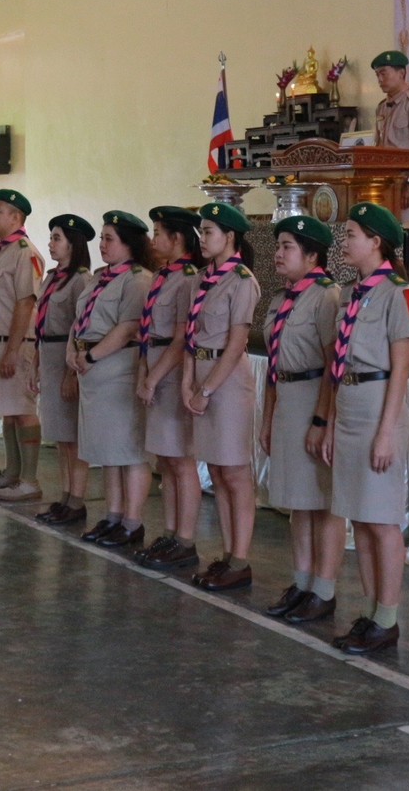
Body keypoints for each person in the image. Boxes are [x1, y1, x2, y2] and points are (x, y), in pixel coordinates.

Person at [314, 203, 409, 655]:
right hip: (351, 402)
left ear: (376, 242)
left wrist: (387, 432)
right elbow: (339, 365)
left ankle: (388, 618)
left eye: (353, 233)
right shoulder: (352, 293)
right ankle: (372, 611)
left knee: (382, 520)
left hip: (378, 405)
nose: (345, 241)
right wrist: (332, 423)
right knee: (360, 516)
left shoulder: (396, 293)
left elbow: (402, 368)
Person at [260, 214, 342, 622]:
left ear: (312, 255)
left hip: (312, 399)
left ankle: (324, 589)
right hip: (287, 399)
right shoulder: (281, 299)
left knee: (322, 502)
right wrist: (267, 419)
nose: (278, 254)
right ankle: (302, 580)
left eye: (287, 247)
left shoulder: (326, 296)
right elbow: (273, 364)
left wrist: (322, 420)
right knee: (298, 500)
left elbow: (333, 366)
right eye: (278, 246)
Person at [184, 202, 261, 591]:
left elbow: (235, 343)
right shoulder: (202, 279)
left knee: (234, 471)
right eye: (201, 232)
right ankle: (228, 555)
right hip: (200, 372)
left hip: (226, 381)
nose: (202, 238)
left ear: (230, 237)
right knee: (215, 469)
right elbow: (190, 336)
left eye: (209, 232)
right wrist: (187, 383)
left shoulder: (241, 281)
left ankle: (241, 559)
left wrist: (206, 389)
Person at [69, 211, 154, 548]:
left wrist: (91, 356)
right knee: (107, 449)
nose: (102, 244)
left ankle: (133, 522)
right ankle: (113, 515)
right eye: (102, 238)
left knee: (128, 449)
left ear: (129, 244)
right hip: (92, 371)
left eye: (109, 239)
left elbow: (129, 327)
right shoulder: (100, 278)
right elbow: (80, 319)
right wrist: (74, 350)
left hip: (118, 368)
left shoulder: (137, 279)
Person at [133, 205, 204, 572]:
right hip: (156, 362)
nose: (153, 239)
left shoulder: (188, 278)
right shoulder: (164, 275)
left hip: (173, 372)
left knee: (181, 459)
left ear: (177, 238)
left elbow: (180, 339)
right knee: (166, 459)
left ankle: (185, 540)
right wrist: (144, 371)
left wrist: (153, 377)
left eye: (159, 233)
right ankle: (171, 532)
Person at [0, 189, 45, 496]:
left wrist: (13, 351)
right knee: (8, 411)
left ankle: (29, 480)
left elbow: (25, 304)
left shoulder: (25, 253)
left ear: (16, 217)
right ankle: (12, 472)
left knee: (23, 410)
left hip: (17, 343)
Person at [32, 214, 95, 527]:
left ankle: (77, 500)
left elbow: (80, 329)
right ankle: (65, 495)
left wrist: (72, 374)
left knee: (72, 435)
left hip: (66, 357)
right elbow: (40, 323)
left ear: (73, 244)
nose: (51, 244)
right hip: (49, 353)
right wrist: (35, 365)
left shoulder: (81, 279)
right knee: (59, 435)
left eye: (57, 238)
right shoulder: (52, 278)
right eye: (51, 238)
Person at [371, 50, 409, 293]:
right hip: (386, 186)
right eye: (377, 75)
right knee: (388, 242)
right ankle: (393, 296)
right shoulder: (382, 108)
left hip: (407, 184)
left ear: (401, 73)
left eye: (384, 73)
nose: (380, 79)